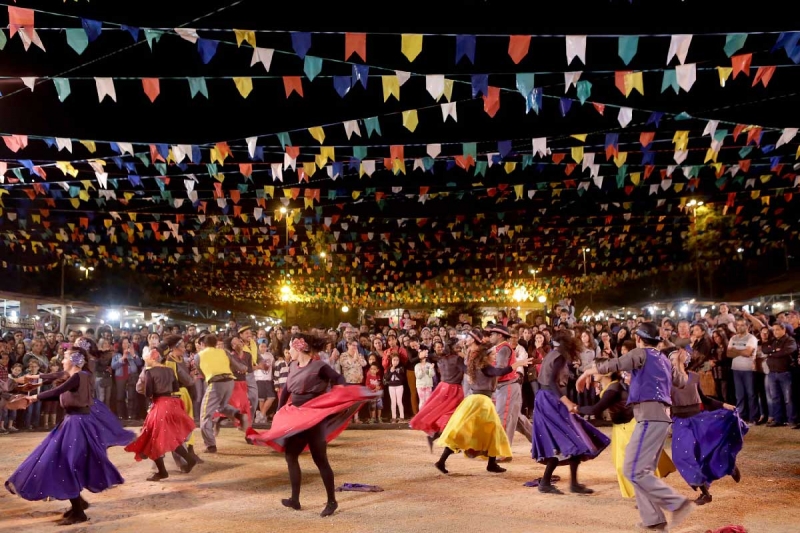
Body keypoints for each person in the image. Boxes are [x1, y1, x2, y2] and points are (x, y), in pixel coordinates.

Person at [245, 333, 378, 517]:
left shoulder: (319, 366)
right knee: (291, 455)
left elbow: (339, 379)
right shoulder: (292, 365)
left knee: (320, 459)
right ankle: (295, 499)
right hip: (297, 417)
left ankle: (332, 501)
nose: (289, 350)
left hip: (315, 417)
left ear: (299, 347)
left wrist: (337, 396)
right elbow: (287, 391)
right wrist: (279, 410)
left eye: (291, 346)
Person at [578, 322, 694, 531]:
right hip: (659, 418)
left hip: (650, 417)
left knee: (633, 470)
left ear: (639, 339)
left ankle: (677, 504)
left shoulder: (642, 353)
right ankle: (654, 521)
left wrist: (587, 372)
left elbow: (614, 364)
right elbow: (681, 381)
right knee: (641, 471)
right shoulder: (663, 359)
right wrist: (679, 362)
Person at [5, 347, 124, 526]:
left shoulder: (78, 376)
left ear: (75, 361)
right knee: (65, 463)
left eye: (65, 357)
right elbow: (58, 390)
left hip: (76, 424)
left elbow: (56, 390)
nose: (62, 360)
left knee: (64, 464)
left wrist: (32, 398)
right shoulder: (78, 376)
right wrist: (35, 383)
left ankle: (79, 511)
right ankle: (78, 504)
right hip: (74, 422)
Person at [578, 358, 676, 499]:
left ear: (606, 372)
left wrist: (575, 408)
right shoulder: (609, 386)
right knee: (624, 464)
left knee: (633, 464)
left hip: (630, 427)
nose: (592, 371)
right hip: (621, 428)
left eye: (595, 368)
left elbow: (595, 409)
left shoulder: (614, 388)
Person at [532, 332, 611, 494]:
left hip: (545, 399)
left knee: (566, 438)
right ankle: (556, 483)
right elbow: (553, 383)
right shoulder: (559, 356)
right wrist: (567, 402)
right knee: (571, 437)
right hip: (551, 400)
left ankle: (557, 483)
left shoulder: (552, 354)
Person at [434, 344, 532, 475]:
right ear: (485, 357)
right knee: (493, 431)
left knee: (465, 432)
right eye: (492, 355)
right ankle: (490, 463)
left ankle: (489, 463)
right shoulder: (486, 368)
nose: (495, 356)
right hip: (482, 403)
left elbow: (464, 367)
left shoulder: (475, 367)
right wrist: (518, 363)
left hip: (473, 401)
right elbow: (500, 372)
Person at [669, 345, 746, 505]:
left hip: (698, 419)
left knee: (705, 451)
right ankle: (705, 492)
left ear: (685, 361)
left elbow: (705, 400)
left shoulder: (694, 377)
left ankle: (728, 465)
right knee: (681, 457)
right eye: (671, 359)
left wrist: (724, 405)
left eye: (677, 358)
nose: (674, 361)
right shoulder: (665, 381)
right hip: (680, 422)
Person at [125, 347, 197, 481]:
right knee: (170, 437)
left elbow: (148, 393)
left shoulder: (149, 372)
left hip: (160, 406)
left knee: (153, 438)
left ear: (151, 359)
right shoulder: (169, 370)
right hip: (173, 404)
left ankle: (162, 471)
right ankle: (188, 459)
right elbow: (175, 388)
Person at [410, 329, 474, 451]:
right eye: (459, 345)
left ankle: (436, 437)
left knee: (441, 412)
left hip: (442, 387)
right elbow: (468, 371)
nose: (461, 346)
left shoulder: (440, 357)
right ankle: (449, 441)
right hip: (454, 390)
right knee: (454, 415)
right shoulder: (457, 359)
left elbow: (424, 356)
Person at [197, 334, 247, 453]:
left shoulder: (198, 356)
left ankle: (210, 445)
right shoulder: (224, 352)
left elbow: (202, 374)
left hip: (215, 382)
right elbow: (240, 367)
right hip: (229, 381)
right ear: (215, 343)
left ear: (203, 344)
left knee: (205, 415)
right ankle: (238, 415)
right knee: (222, 406)